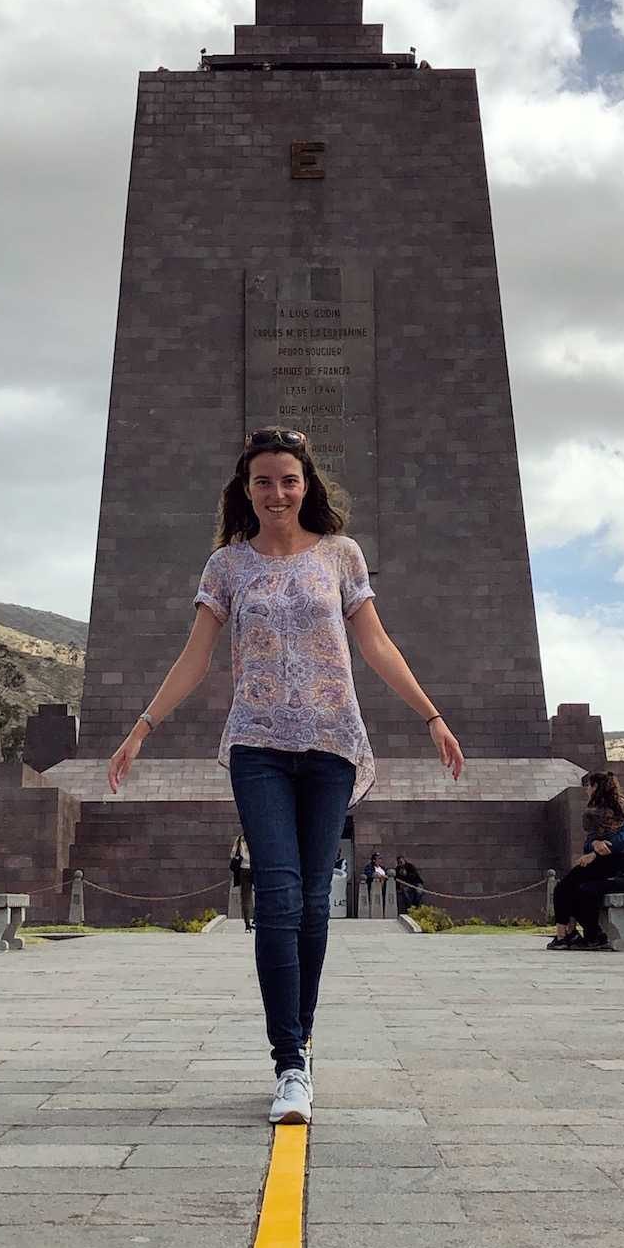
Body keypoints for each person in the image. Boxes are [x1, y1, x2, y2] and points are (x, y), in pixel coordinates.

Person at [108, 426, 464, 1124]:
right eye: (265, 481)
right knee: (276, 892)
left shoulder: (340, 555)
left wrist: (432, 716)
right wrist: (141, 727)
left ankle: (299, 1042)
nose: (278, 492)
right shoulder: (227, 567)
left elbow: (376, 643)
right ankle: (290, 1062)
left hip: (331, 743)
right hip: (258, 744)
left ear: (308, 487)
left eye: (289, 480)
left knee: (306, 901)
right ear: (246, 489)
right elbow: (195, 657)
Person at [547, 771, 624, 952]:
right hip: (609, 867)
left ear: (596, 787)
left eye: (588, 786)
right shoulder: (598, 815)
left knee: (584, 890)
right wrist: (595, 844)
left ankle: (593, 936)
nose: (586, 790)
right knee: (564, 886)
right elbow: (590, 843)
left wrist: (595, 852)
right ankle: (566, 934)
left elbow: (622, 842)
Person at [229, 833, 254, 931]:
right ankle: (257, 920)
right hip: (256, 869)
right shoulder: (257, 836)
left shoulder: (239, 839)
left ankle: (247, 925)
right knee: (261, 896)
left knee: (245, 898)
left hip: (243, 870)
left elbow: (233, 854)